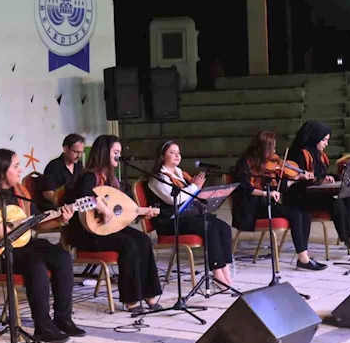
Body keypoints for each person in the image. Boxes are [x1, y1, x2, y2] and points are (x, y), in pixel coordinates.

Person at [0, 148, 84, 343]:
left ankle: (63, 318)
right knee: (36, 265)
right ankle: (43, 326)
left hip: (21, 244)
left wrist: (60, 220)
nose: (20, 170)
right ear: (2, 170)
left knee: (62, 257)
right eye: (16, 166)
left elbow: (37, 224)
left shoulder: (21, 192)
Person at [65, 134, 163, 313]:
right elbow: (85, 195)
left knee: (143, 239)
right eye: (115, 152)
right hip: (88, 234)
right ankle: (131, 299)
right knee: (128, 244)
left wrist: (140, 213)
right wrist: (103, 208)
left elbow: (121, 211)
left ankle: (149, 294)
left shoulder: (111, 180)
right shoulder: (89, 176)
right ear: (104, 153)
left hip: (106, 230)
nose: (119, 156)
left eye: (119, 153)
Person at [233, 131, 327, 271]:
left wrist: (296, 179)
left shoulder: (267, 165)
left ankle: (304, 255)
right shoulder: (244, 164)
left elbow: (279, 186)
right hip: (250, 208)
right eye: (272, 148)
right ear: (263, 148)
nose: (275, 152)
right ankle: (303, 260)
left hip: (266, 204)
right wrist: (266, 193)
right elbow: (244, 188)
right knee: (295, 214)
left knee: (304, 213)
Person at [146, 140, 235, 285]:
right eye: (172, 152)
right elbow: (173, 199)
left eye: (178, 153)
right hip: (169, 222)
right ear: (162, 156)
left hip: (186, 217)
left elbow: (189, 195)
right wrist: (194, 187)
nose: (177, 156)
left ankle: (226, 270)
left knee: (223, 227)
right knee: (209, 229)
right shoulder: (158, 178)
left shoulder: (180, 173)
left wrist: (199, 191)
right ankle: (217, 273)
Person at [286, 121, 350, 250]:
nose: (326, 144)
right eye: (324, 140)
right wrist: (319, 181)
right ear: (314, 138)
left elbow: (322, 174)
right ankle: (348, 238)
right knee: (336, 202)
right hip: (302, 197)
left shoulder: (320, 155)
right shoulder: (299, 153)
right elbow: (300, 180)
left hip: (317, 194)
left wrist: (334, 177)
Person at [42, 133, 85, 209]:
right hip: (58, 208)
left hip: (75, 206)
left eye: (81, 152)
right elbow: (47, 193)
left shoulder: (79, 165)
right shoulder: (53, 166)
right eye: (75, 152)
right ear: (65, 149)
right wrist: (62, 204)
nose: (79, 156)